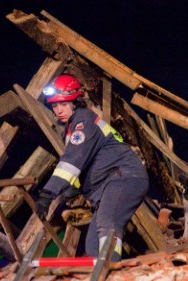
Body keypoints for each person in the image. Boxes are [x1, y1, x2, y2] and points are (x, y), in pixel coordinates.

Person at [34, 73, 149, 262]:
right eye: (55, 105)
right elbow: (84, 169)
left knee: (108, 223)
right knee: (93, 243)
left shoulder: (83, 122)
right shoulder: (72, 129)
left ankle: (110, 272)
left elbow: (71, 162)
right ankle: (98, 278)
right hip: (109, 183)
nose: (59, 110)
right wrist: (66, 193)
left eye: (63, 104)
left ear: (74, 102)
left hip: (123, 177)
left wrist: (48, 193)